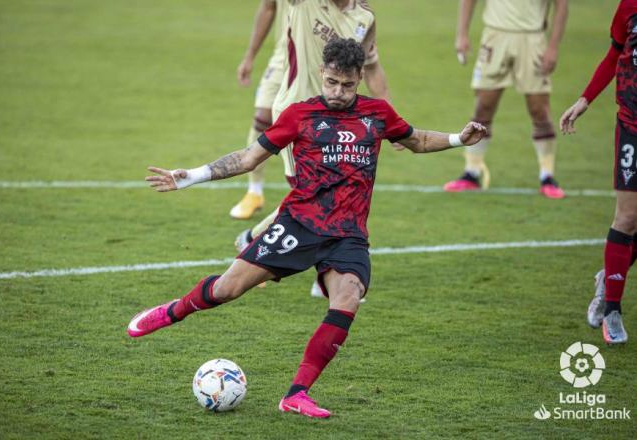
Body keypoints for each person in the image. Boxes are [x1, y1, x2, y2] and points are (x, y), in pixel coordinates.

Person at [128, 38, 487, 418]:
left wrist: (456, 140)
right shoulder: (299, 115)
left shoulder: (377, 114)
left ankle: (296, 394)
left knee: (348, 296)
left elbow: (415, 140)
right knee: (227, 289)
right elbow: (249, 158)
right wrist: (192, 176)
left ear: (359, 78)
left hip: (347, 234)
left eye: (347, 85)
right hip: (299, 225)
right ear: (322, 74)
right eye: (331, 82)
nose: (338, 92)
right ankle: (174, 311)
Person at [233, 0, 392, 298]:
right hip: (297, 116)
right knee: (311, 192)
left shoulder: (364, 16)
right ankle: (259, 241)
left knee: (324, 192)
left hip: (335, 119)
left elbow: (371, 67)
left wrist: (387, 115)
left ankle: (261, 242)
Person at [559, 0, 636, 345]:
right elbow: (613, 55)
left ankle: (609, 277)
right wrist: (585, 99)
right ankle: (612, 310)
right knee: (628, 217)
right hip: (633, 125)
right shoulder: (628, 7)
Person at [444, 0, 568, 198]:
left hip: (533, 38)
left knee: (539, 109)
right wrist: (462, 34)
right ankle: (471, 173)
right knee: (483, 107)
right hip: (494, 37)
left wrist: (553, 46)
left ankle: (547, 176)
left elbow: (561, 5)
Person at [229, 0, 290, 220]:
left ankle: (306, 196)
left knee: (310, 125)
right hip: (283, 57)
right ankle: (254, 192)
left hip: (318, 62)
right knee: (262, 118)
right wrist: (249, 56)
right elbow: (268, 7)